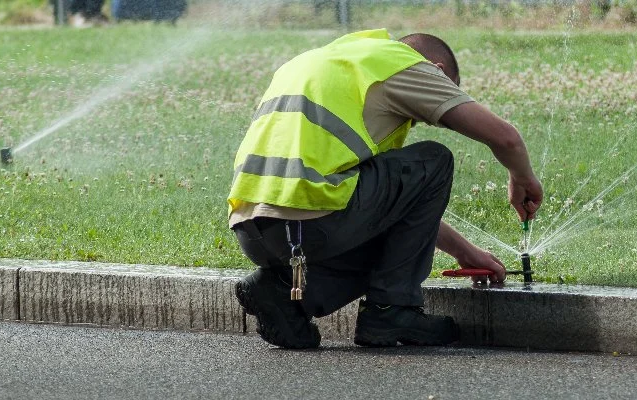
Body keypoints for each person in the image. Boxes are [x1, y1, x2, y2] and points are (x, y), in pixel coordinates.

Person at [227, 29, 543, 349]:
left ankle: (283, 293)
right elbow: (506, 138)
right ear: (438, 72)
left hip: (253, 229)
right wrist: (523, 179)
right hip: (314, 221)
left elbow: (392, 211)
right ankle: (391, 309)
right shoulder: (401, 64)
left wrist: (465, 252)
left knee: (390, 231)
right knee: (434, 160)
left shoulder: (332, 61)